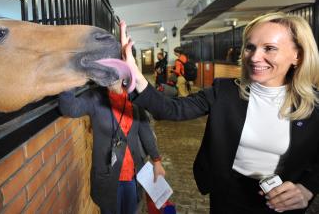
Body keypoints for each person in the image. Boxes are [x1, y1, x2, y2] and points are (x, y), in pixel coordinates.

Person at [120, 13, 319, 213]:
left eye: (269, 48)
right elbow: (171, 109)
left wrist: (307, 188)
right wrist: (135, 76)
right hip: (227, 194)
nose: (255, 57)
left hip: (280, 201)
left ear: (298, 55)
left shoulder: (314, 106)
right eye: (250, 47)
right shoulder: (225, 91)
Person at [59, 79, 166, 214]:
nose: (112, 77)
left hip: (132, 176)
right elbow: (69, 108)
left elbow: (145, 132)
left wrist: (157, 160)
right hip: (107, 177)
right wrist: (74, 77)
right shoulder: (95, 98)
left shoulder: (135, 98)